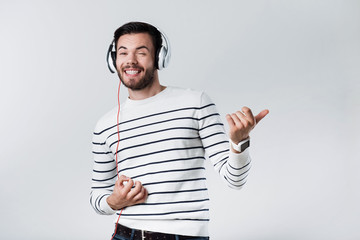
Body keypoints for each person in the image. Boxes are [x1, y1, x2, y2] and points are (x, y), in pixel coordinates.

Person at [90, 21, 269, 240]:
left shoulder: (196, 103)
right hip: (124, 234)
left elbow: (235, 179)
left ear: (159, 58)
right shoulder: (105, 125)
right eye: (123, 52)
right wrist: (113, 201)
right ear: (113, 60)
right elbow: (97, 195)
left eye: (141, 52)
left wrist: (239, 143)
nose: (130, 61)